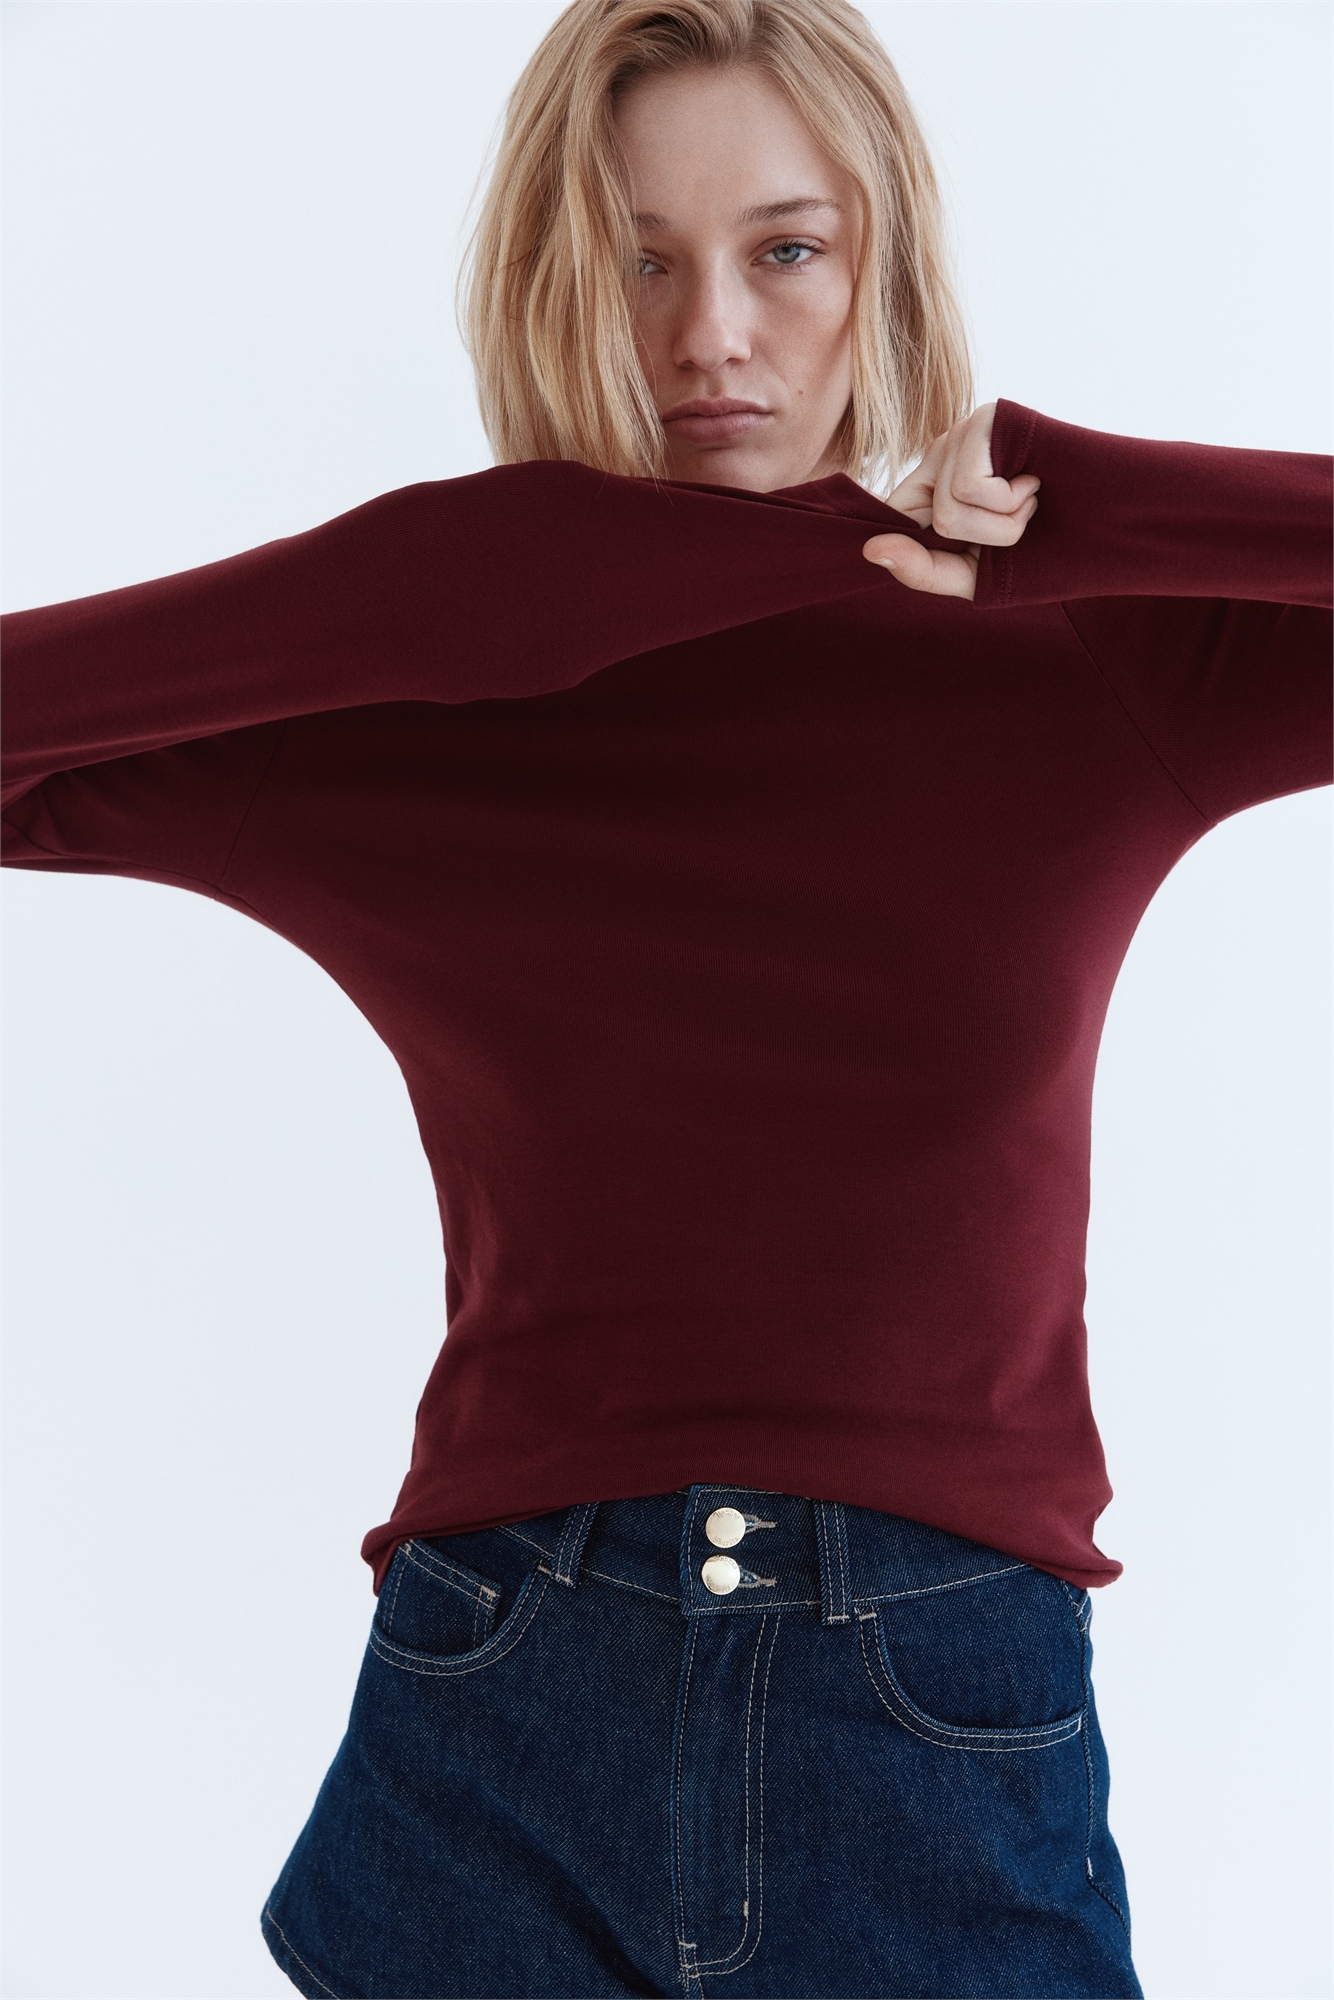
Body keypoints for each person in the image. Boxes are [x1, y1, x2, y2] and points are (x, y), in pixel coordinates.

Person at [3, 0, 1328, 1993]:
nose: (710, 331)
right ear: (551, 277)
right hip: (507, 1696)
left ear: (882, 254)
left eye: (784, 248)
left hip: (933, 1707)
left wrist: (1108, 504)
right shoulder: (423, 679)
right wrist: (415, 587)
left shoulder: (1081, 659)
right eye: (638, 260)